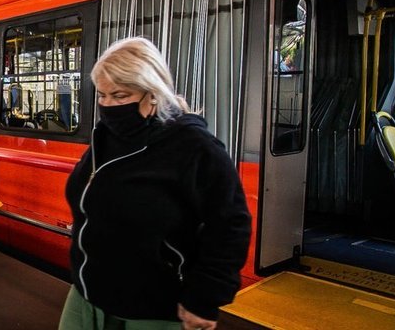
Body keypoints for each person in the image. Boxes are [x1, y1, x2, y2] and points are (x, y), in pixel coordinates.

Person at [58, 37, 251, 330]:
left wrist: (205, 297)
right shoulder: (105, 138)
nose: (108, 106)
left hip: (153, 306)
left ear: (153, 93)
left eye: (120, 96)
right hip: (88, 294)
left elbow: (230, 225)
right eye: (102, 95)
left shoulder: (194, 146)